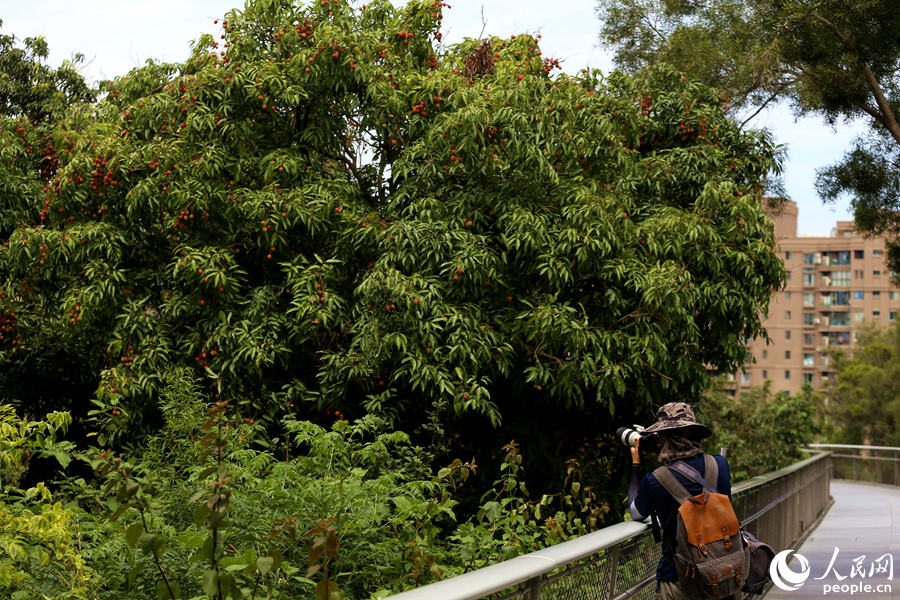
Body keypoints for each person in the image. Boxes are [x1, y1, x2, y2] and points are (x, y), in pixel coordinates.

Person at [626, 402, 733, 600]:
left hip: (678, 578)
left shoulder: (656, 479)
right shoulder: (720, 465)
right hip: (721, 572)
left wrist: (636, 466)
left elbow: (635, 512)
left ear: (664, 438)